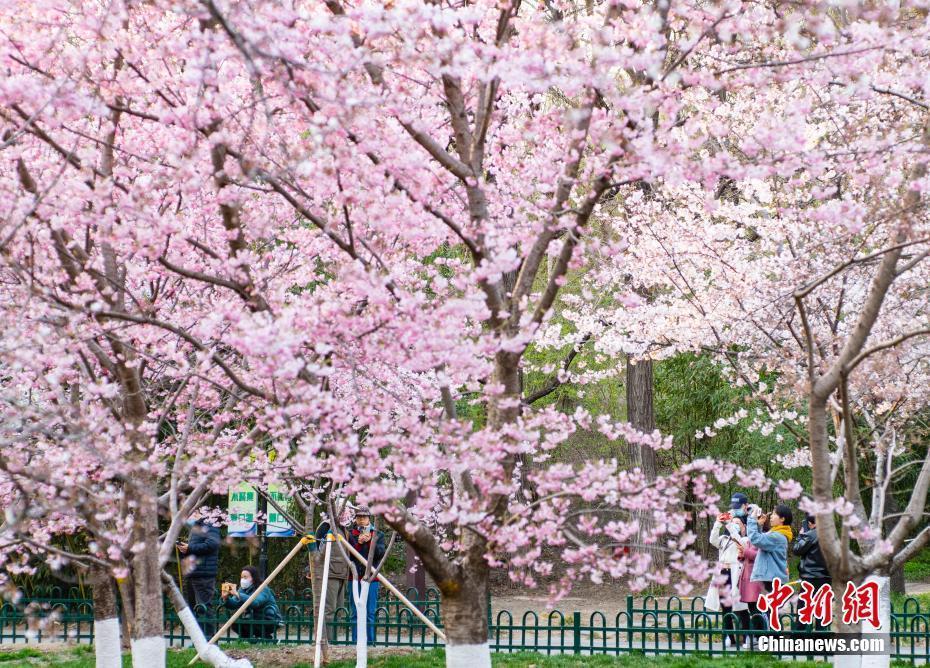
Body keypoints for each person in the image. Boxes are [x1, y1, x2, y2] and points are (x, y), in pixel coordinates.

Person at [704, 497, 748, 648]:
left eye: (738, 523)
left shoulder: (745, 539)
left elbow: (740, 542)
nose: (734, 525)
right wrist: (718, 522)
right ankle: (729, 636)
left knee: (742, 607)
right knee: (726, 607)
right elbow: (712, 539)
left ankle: (747, 636)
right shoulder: (724, 539)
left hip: (737, 574)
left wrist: (730, 525)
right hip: (723, 574)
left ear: (743, 526)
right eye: (732, 523)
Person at [347, 508, 386, 643]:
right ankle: (355, 642)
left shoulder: (378, 534)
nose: (361, 519)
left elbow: (380, 554)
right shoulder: (350, 534)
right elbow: (348, 556)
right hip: (354, 577)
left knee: (370, 613)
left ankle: (370, 643)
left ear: (369, 518)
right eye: (358, 517)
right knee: (355, 613)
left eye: (364, 516)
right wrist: (359, 543)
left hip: (371, 578)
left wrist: (370, 542)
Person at [178, 513, 221, 635]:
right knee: (194, 608)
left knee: (204, 607)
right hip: (194, 572)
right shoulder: (196, 526)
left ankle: (209, 639)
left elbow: (212, 544)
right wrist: (185, 550)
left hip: (204, 574)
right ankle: (199, 640)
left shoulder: (210, 523)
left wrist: (190, 548)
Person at [313, 513, 352, 640]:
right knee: (329, 609)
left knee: (340, 610)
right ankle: (326, 641)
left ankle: (334, 639)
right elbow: (318, 549)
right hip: (329, 573)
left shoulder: (344, 529)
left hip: (342, 573)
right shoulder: (326, 526)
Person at [221, 565, 282, 641]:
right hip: (253, 618)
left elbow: (255, 603)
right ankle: (250, 641)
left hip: (269, 619)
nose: (243, 580)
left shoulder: (263, 588)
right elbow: (234, 604)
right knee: (235, 623)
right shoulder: (242, 590)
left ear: (253, 578)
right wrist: (226, 598)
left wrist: (237, 594)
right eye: (242, 577)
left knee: (247, 624)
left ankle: (266, 638)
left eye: (245, 577)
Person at [793, 513, 831, 635]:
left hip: (810, 578)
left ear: (810, 523)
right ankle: (821, 641)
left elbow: (797, 550)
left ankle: (799, 640)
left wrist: (800, 536)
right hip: (826, 578)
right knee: (822, 611)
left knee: (804, 609)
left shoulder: (810, 535)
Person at [737, 512, 767, 649]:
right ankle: (757, 636)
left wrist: (745, 552)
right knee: (752, 608)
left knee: (757, 608)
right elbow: (748, 553)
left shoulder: (763, 537)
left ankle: (761, 636)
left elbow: (759, 555)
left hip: (755, 578)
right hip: (747, 577)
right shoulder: (751, 538)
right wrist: (742, 554)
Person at [747, 503, 793, 593]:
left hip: (771, 580)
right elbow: (761, 539)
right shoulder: (777, 534)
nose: (771, 516)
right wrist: (759, 525)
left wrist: (752, 520)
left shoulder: (777, 536)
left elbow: (756, 539)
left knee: (768, 606)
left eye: (774, 514)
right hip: (772, 578)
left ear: (782, 519)